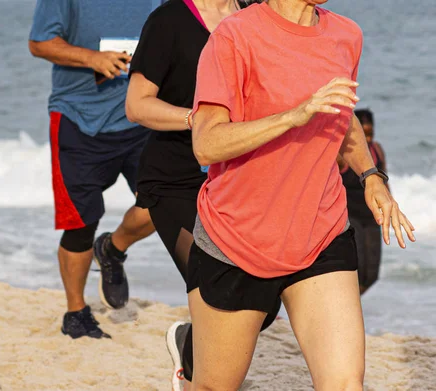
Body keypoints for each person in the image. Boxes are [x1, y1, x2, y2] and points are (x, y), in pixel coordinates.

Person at [188, 1, 415, 389]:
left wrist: (371, 175)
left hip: (321, 231)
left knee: (344, 383)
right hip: (237, 239)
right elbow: (206, 143)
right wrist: (295, 115)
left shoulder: (346, 35)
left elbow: (341, 119)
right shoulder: (234, 37)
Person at [125, 0, 276, 389]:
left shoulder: (254, 13)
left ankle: (187, 341)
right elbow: (136, 105)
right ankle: (194, 372)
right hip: (174, 180)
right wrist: (200, 119)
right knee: (219, 288)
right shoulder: (168, 20)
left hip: (239, 179)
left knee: (266, 303)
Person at [28, 0, 160, 339]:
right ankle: (76, 313)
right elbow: (39, 43)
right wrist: (93, 58)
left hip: (143, 116)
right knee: (81, 223)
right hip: (77, 118)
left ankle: (113, 249)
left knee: (163, 205)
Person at [339, 109, 388, 294]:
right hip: (351, 218)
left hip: (372, 217)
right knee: (357, 272)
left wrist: (390, 207)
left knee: (371, 276)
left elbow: (383, 181)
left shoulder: (377, 150)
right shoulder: (344, 154)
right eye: (364, 134)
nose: (367, 139)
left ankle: (348, 310)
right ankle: (344, 315)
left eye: (370, 134)